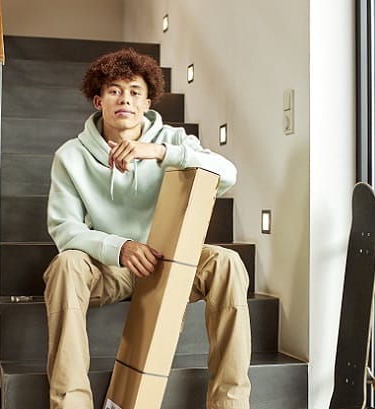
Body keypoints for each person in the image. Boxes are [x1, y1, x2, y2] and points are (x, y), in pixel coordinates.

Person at [43, 48, 251, 409]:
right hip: (110, 268)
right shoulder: (70, 156)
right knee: (65, 266)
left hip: (169, 264)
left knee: (227, 262)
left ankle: (229, 404)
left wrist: (159, 153)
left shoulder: (172, 140)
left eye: (135, 91)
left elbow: (228, 175)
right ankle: (71, 403)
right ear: (98, 100)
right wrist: (120, 247)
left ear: (148, 101)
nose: (125, 98)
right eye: (114, 90)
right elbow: (65, 229)